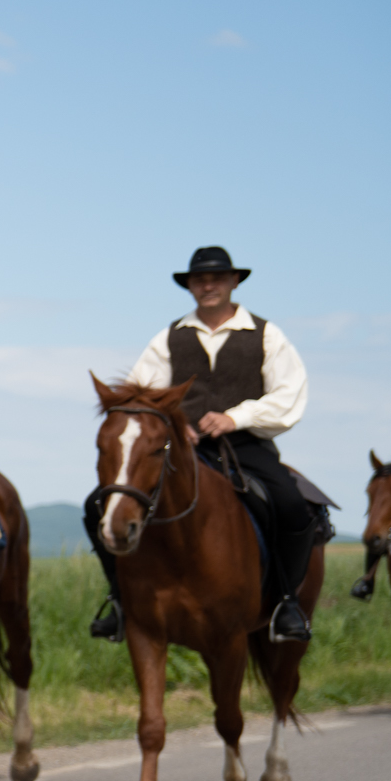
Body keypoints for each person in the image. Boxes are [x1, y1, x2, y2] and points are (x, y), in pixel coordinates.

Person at [88, 246, 313, 644]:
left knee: (292, 507)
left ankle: (285, 602)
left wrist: (235, 417)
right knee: (97, 507)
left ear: (234, 282)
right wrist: (175, 427)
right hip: (182, 448)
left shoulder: (266, 334)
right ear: (189, 286)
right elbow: (143, 396)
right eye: (199, 280)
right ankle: (120, 601)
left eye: (217, 279)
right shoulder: (169, 337)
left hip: (246, 445)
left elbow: (289, 394)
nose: (207, 285)